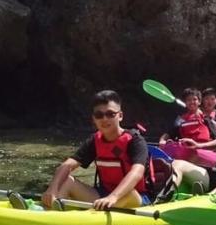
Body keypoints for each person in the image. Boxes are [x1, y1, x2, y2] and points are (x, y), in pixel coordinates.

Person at [9, 90, 155, 210]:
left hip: (136, 197)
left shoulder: (135, 140)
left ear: (120, 116)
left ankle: (85, 215)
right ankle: (47, 209)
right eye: (99, 115)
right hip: (103, 195)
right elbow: (67, 165)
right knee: (67, 180)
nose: (105, 119)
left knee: (129, 193)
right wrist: (52, 189)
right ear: (94, 119)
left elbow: (137, 173)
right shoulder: (95, 140)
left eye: (110, 114)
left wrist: (113, 197)